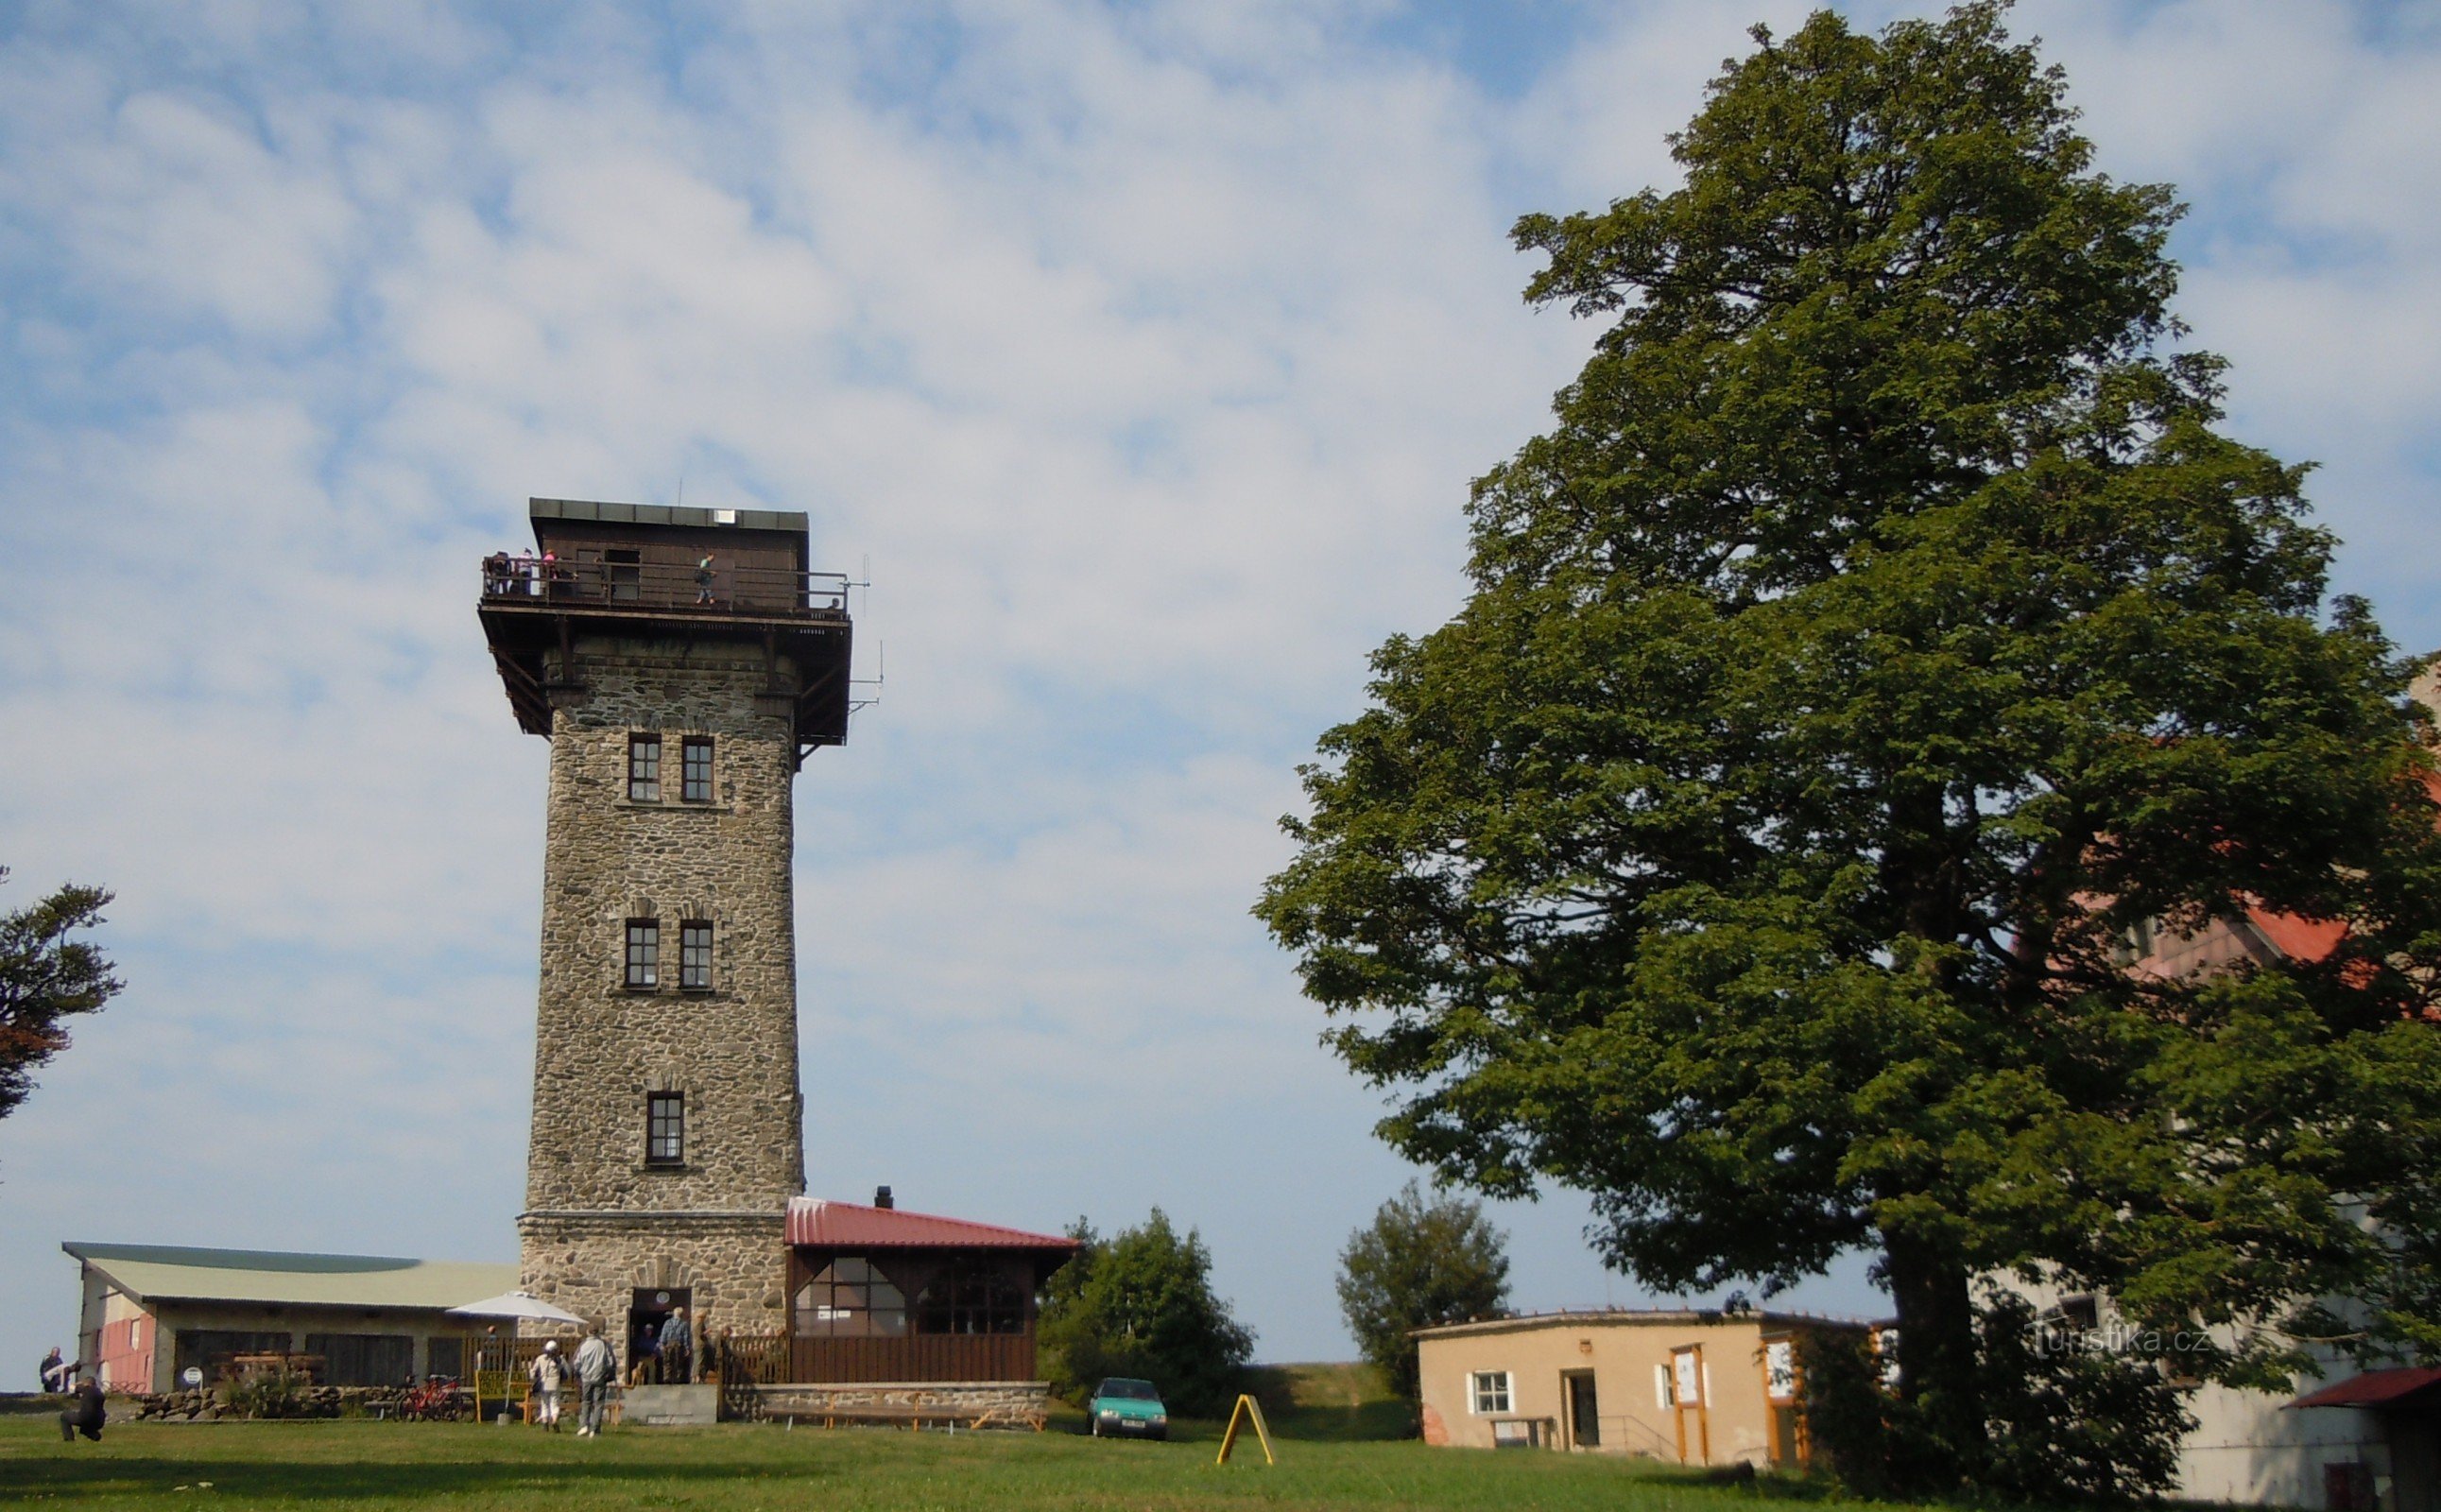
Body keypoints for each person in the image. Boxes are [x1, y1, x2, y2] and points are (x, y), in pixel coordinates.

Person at [572, 1325, 615, 1438]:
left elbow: (576, 1362)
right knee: (599, 1403)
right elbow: (611, 1362)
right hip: (600, 1377)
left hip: (586, 1378)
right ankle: (595, 1429)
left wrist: (580, 1373)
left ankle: (584, 1425)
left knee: (586, 1402)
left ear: (588, 1332)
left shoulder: (583, 1345)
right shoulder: (604, 1344)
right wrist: (607, 1373)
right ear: (598, 1333)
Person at [527, 1339, 567, 1432]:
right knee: (555, 1405)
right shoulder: (560, 1360)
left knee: (544, 1404)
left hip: (544, 1384)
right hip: (555, 1384)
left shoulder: (540, 1358)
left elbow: (533, 1372)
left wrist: (533, 1377)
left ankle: (545, 1425)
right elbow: (565, 1374)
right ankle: (554, 1420)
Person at [59, 1371, 104, 1443]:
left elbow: (71, 1387)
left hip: (85, 1417)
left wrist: (78, 1383)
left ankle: (68, 1439)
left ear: (87, 1384)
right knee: (84, 1428)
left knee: (64, 1416)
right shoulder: (100, 1393)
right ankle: (95, 1436)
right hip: (99, 1420)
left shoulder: (86, 1389)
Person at [658, 1305, 693, 1385]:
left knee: (668, 1361)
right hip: (678, 1345)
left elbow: (664, 1333)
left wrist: (662, 1344)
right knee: (678, 1362)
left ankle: (667, 1377)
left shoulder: (668, 1322)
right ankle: (677, 1378)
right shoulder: (684, 1324)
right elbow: (685, 1336)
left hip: (669, 1344)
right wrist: (687, 1348)